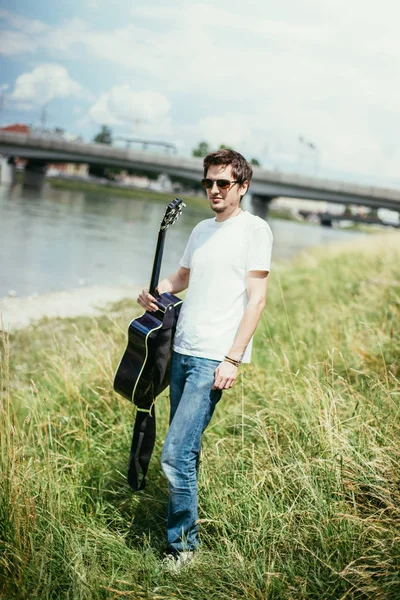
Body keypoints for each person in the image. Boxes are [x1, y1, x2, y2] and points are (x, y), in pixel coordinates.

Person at [137, 148, 273, 566]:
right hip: (180, 350)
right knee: (188, 450)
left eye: (223, 183)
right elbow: (182, 277)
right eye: (209, 182)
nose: (214, 189)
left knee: (175, 453)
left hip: (212, 357)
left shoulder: (255, 229)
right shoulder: (200, 229)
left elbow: (257, 299)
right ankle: (185, 529)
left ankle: (183, 548)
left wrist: (232, 358)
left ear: (242, 187)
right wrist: (155, 292)